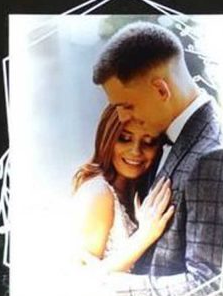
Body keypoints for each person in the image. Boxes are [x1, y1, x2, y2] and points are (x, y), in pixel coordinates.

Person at [93, 21, 223, 296]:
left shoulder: (213, 154)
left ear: (160, 89)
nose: (121, 118)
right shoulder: (162, 137)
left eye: (126, 106)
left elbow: (210, 288)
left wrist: (106, 287)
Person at [71, 105, 174, 275]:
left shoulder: (137, 194)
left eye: (148, 142)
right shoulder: (98, 193)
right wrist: (145, 236)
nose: (136, 151)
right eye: (124, 138)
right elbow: (81, 280)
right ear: (107, 139)